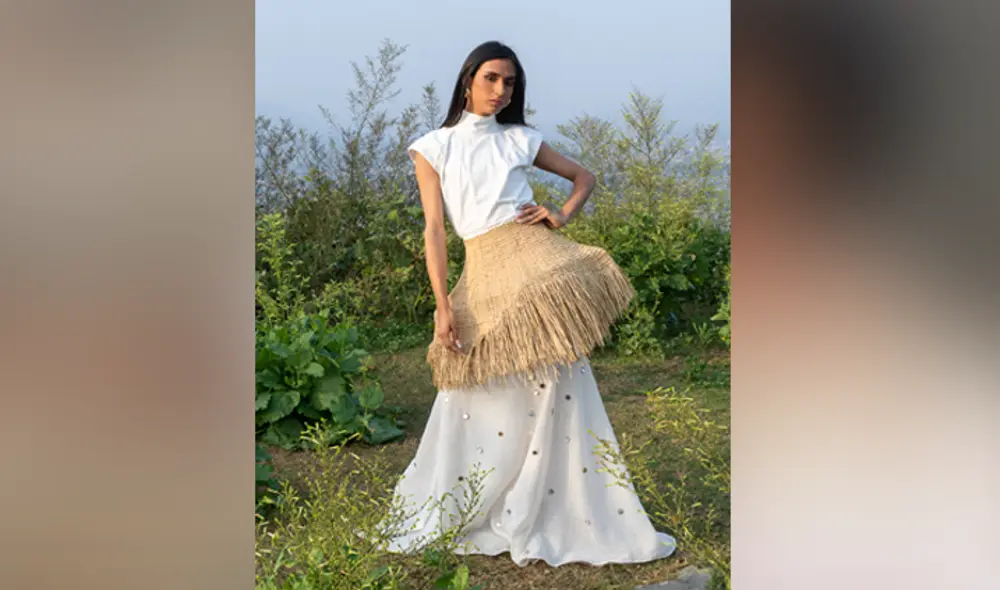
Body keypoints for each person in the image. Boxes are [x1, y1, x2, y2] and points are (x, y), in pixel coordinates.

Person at [383, 40, 676, 567]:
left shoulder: (519, 138)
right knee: (470, 387)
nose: (500, 91)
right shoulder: (433, 146)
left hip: (537, 264)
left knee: (561, 383)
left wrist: (561, 215)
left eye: (510, 83)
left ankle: (557, 509)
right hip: (483, 271)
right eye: (492, 78)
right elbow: (433, 231)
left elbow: (584, 178)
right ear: (468, 77)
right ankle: (486, 500)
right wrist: (441, 305)